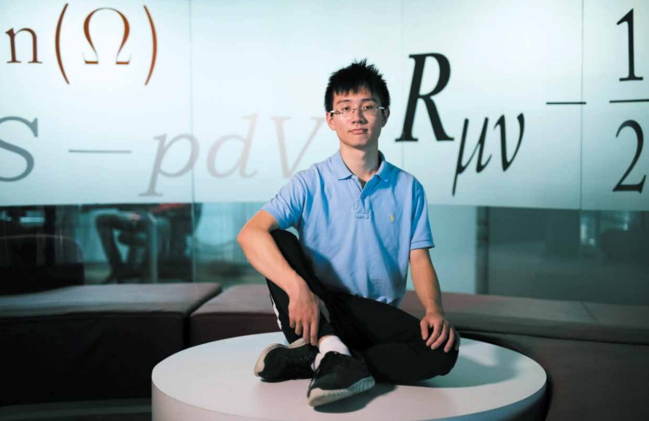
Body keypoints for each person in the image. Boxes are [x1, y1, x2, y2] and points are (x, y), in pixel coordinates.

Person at [237, 59, 460, 407]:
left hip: (372, 314)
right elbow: (249, 234)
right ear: (331, 119)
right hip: (317, 309)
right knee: (278, 239)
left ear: (384, 116)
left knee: (443, 351)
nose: (357, 117)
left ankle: (322, 358)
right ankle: (328, 346)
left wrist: (434, 310)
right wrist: (299, 289)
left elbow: (419, 259)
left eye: (367, 107)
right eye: (345, 108)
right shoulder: (309, 182)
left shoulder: (408, 187)